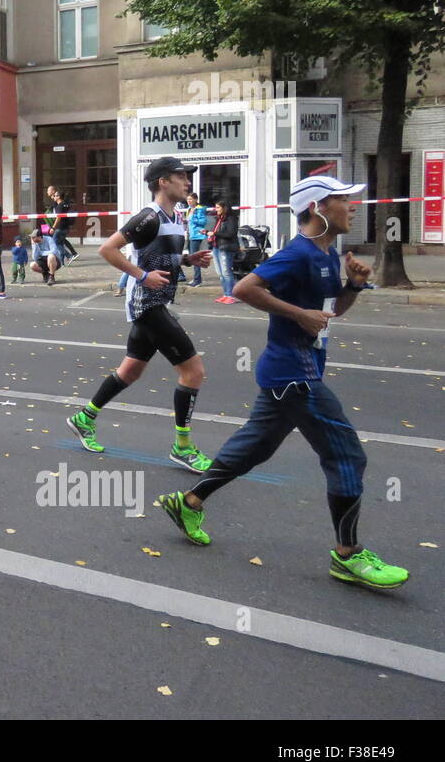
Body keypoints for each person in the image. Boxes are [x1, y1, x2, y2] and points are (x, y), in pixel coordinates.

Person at [158, 176, 408, 589]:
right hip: (295, 375)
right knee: (347, 457)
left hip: (290, 372)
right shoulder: (298, 253)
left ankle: (189, 502)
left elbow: (329, 312)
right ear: (316, 208)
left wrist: (353, 286)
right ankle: (348, 555)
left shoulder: (327, 254)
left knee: (255, 447)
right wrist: (297, 314)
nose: (353, 206)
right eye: (343, 200)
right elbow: (245, 288)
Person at [66, 157, 215, 472]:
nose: (187, 182)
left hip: (158, 301)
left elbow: (159, 254)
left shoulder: (176, 216)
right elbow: (108, 249)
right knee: (193, 372)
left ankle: (84, 418)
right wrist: (142, 276)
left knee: (130, 370)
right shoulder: (148, 217)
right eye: (181, 176)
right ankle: (182, 447)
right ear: (163, 181)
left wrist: (187, 260)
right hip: (146, 304)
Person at [206, 199, 240, 303]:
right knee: (220, 273)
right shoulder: (219, 218)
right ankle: (225, 294)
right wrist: (208, 233)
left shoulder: (231, 218)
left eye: (218, 207)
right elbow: (216, 231)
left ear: (224, 208)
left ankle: (230, 295)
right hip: (217, 247)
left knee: (226, 272)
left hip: (226, 248)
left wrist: (215, 233)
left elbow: (230, 233)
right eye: (215, 207)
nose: (216, 209)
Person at [47, 187, 79, 265]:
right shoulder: (65, 204)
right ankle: (63, 261)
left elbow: (58, 218)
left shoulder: (59, 206)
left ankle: (69, 255)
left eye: (55, 196)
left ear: (58, 196)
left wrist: (53, 228)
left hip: (60, 228)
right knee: (61, 243)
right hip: (66, 227)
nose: (53, 197)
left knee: (55, 243)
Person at [186, 192, 208, 287]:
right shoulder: (189, 209)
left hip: (197, 235)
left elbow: (203, 221)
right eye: (188, 199)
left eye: (191, 199)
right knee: (192, 257)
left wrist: (193, 219)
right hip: (191, 235)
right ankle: (196, 278)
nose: (189, 201)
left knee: (195, 257)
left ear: (196, 200)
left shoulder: (199, 209)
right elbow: (188, 222)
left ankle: (198, 280)